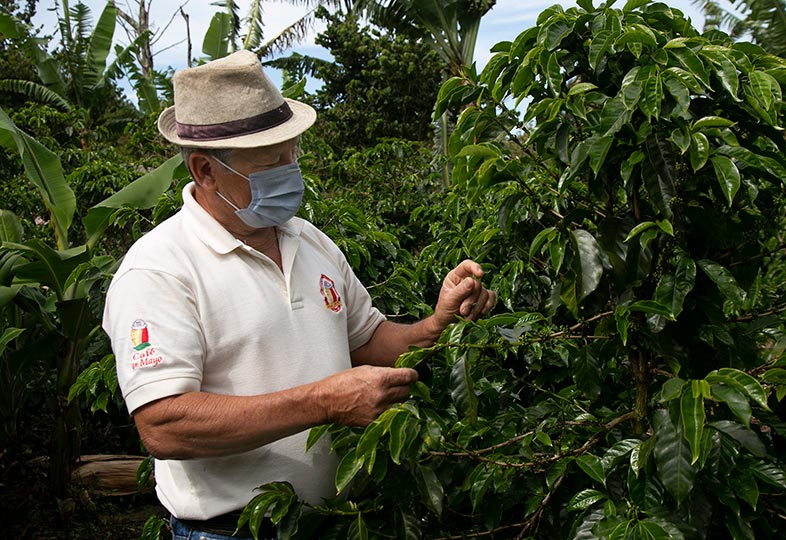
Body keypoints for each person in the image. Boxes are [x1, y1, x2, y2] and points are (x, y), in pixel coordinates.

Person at [102, 50, 496, 539]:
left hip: (337, 524)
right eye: (269, 163)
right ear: (205, 170)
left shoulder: (308, 239)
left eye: (291, 153)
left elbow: (368, 342)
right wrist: (324, 402)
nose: (290, 170)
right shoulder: (159, 269)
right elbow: (165, 425)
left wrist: (437, 324)